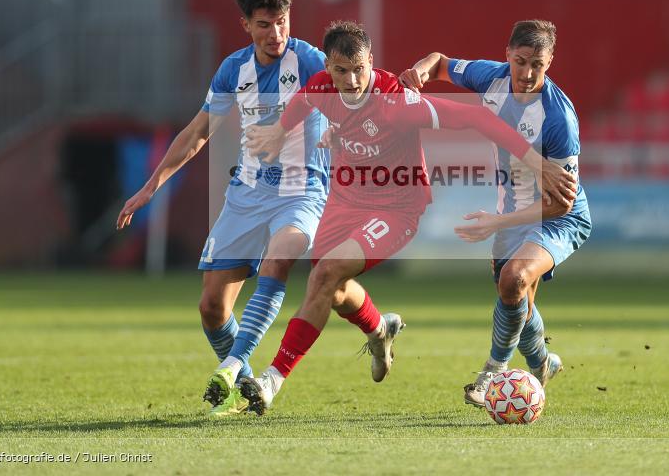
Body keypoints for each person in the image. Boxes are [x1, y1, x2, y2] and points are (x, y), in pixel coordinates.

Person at [230, 21, 577, 415]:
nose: (352, 79)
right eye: (341, 71)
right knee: (332, 287)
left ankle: (272, 379)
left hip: (399, 208)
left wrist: (537, 165)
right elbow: (305, 101)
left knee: (327, 274)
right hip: (346, 202)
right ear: (328, 68)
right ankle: (380, 328)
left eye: (359, 69)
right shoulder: (323, 87)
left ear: (371, 62)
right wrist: (278, 131)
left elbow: (478, 120)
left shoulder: (396, 102)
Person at [115, 0, 329, 415]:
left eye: (283, 22)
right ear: (245, 25)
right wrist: (150, 186)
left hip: (301, 189)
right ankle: (248, 386)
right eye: (265, 24)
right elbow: (198, 132)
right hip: (247, 192)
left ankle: (232, 367)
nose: (277, 34)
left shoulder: (310, 61)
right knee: (212, 306)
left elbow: (351, 100)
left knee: (278, 260)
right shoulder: (234, 70)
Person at [399, 19, 591, 407]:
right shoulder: (491, 78)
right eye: (521, 62)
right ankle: (542, 362)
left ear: (551, 61)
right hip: (511, 210)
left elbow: (561, 203)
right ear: (507, 55)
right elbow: (439, 62)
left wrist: (495, 222)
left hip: (557, 217)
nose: (528, 73)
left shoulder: (559, 120)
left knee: (514, 277)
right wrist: (420, 71)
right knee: (516, 300)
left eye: (538, 63)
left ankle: (492, 373)